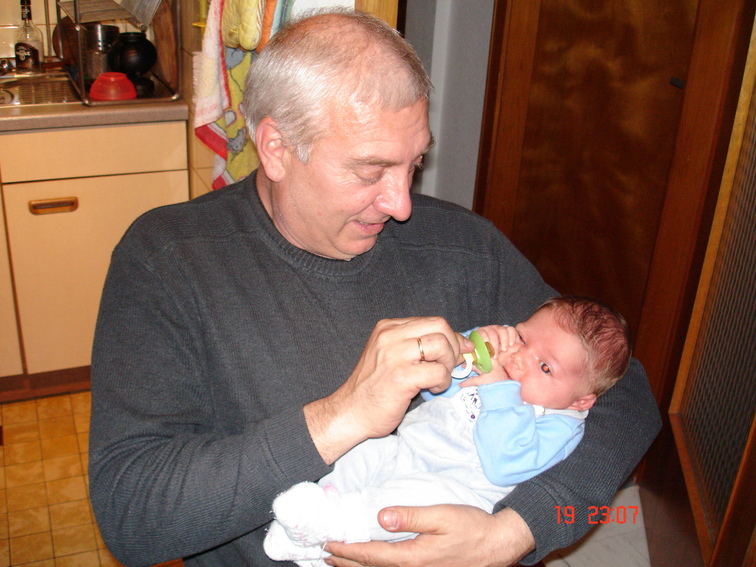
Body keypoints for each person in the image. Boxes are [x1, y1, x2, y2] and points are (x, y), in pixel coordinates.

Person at [88, 8, 661, 567]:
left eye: (414, 164)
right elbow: (131, 514)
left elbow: (630, 398)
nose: (402, 204)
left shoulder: (465, 247)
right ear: (277, 149)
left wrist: (517, 532)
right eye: (370, 171)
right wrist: (343, 416)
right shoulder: (168, 261)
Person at [264, 296, 632, 566]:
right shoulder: (501, 364)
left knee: (407, 501)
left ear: (580, 401)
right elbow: (436, 388)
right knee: (362, 453)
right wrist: (470, 348)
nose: (519, 358)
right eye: (522, 338)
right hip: (407, 449)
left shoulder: (559, 423)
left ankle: (337, 526)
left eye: (545, 367)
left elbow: (504, 463)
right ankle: (310, 518)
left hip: (454, 490)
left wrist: (498, 387)